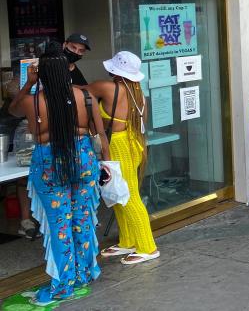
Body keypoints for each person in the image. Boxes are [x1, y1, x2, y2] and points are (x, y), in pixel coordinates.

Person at [9, 46, 105, 305]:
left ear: (42, 73)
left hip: (50, 165)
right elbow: (101, 133)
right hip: (84, 160)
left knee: (59, 226)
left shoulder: (33, 101)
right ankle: (85, 272)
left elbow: (13, 110)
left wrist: (29, 83)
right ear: (66, 70)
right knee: (82, 219)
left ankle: (63, 284)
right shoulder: (85, 97)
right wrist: (107, 162)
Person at [89, 51, 159, 264]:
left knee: (127, 196)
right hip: (134, 143)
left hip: (118, 145)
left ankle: (147, 246)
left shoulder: (108, 87)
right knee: (118, 193)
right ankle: (127, 241)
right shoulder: (139, 95)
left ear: (115, 71)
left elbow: (80, 93)